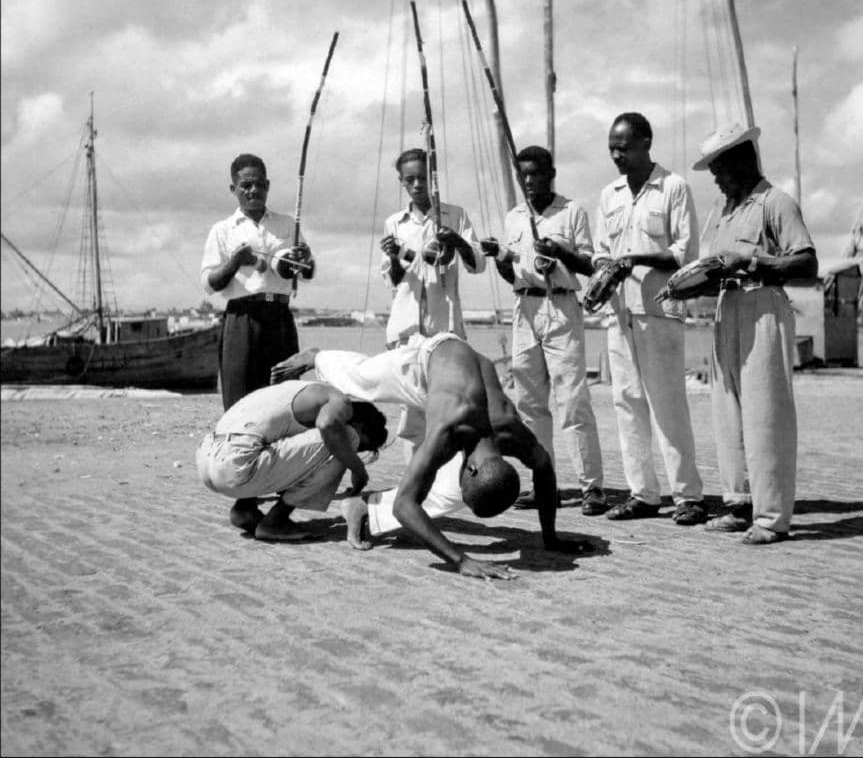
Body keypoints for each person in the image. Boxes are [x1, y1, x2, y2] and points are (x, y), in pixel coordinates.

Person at [270, 333, 595, 579]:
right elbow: (406, 506)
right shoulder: (448, 430)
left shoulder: (512, 432)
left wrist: (550, 538)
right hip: (425, 362)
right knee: (362, 379)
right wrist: (461, 561)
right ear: (469, 468)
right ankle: (318, 357)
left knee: (451, 494)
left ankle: (365, 508)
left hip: (464, 377)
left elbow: (544, 467)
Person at [692, 122, 818, 545]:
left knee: (767, 414)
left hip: (763, 305)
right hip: (727, 308)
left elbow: (806, 266)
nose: (715, 176)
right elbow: (716, 266)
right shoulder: (724, 211)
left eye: (720, 167)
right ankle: (737, 504)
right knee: (727, 411)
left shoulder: (776, 203)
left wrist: (754, 260)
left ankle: (771, 518)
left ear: (744, 159)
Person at [479, 146, 607, 516]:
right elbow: (511, 275)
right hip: (525, 308)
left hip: (561, 306)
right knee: (530, 404)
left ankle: (591, 487)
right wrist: (500, 258)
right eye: (524, 176)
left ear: (551, 173)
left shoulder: (572, 211)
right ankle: (543, 483)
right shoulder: (515, 217)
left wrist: (559, 252)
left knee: (572, 400)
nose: (530, 182)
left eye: (536, 174)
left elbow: (588, 266)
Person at [592, 113, 706, 525]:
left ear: (646, 142)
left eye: (623, 146)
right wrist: (605, 270)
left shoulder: (673, 187)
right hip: (618, 313)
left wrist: (635, 259)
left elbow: (684, 253)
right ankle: (643, 494)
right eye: (611, 148)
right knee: (627, 404)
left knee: (667, 404)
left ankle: (689, 495)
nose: (616, 154)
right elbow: (601, 250)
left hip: (659, 310)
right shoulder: (610, 194)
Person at [200, 153, 314, 531]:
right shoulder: (222, 230)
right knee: (240, 404)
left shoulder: (286, 224)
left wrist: (304, 259)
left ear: (267, 185)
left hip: (279, 317)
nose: (253, 190)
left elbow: (308, 271)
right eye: (245, 185)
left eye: (259, 183)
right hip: (242, 319)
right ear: (234, 188)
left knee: (286, 401)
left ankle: (283, 499)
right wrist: (235, 262)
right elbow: (211, 283)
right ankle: (244, 504)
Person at [379, 147, 485, 451]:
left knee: (448, 404)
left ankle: (448, 482)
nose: (416, 185)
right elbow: (393, 279)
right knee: (411, 411)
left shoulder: (455, 215)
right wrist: (394, 256)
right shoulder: (395, 223)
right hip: (407, 330)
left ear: (433, 178)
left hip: (445, 326)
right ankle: (414, 482)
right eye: (409, 180)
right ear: (401, 182)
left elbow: (477, 264)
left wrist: (458, 241)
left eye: (422, 178)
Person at [195, 380, 388, 542]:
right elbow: (328, 425)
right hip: (235, 466)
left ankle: (244, 509)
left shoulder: (306, 391)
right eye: (361, 447)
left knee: (270, 437)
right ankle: (275, 522)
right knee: (341, 438)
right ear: (361, 423)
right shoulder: (341, 403)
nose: (353, 453)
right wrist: (357, 469)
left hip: (207, 458)